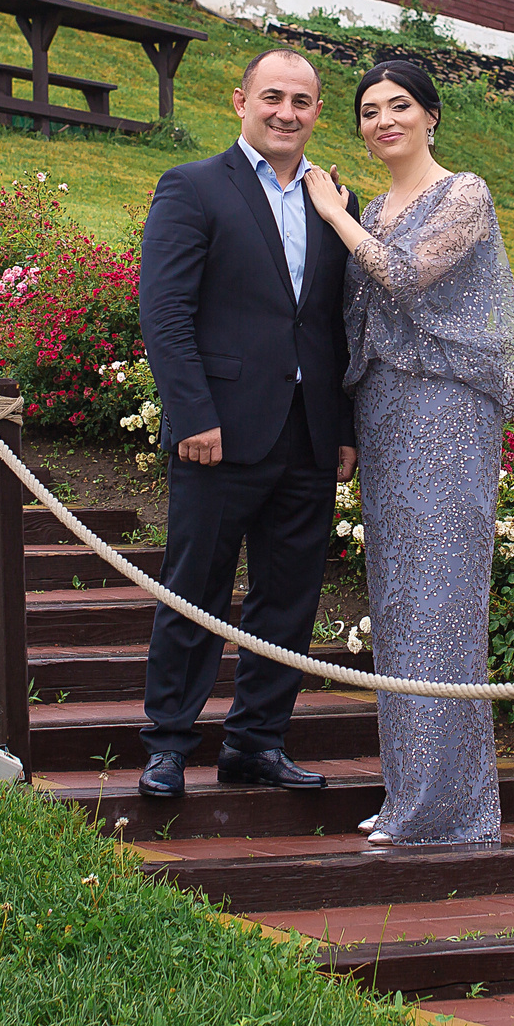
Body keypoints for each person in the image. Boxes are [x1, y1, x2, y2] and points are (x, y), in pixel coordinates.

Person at [302, 58, 514, 848]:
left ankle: (447, 809)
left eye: (399, 105)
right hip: (387, 414)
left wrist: (331, 212)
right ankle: (412, 796)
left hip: (447, 411)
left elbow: (403, 274)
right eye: (368, 110)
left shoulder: (462, 192)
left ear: (431, 115)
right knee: (396, 603)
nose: (383, 119)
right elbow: (353, 321)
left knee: (441, 603)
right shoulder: (375, 205)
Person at [135, 48, 359, 800]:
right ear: (241, 102)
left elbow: (338, 325)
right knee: (194, 587)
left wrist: (345, 427)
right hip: (218, 433)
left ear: (317, 113)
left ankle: (256, 741)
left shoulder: (336, 204)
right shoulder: (194, 187)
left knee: (288, 599)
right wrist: (192, 411)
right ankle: (167, 745)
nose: (286, 112)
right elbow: (165, 314)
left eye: (301, 100)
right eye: (272, 96)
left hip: (307, 435)